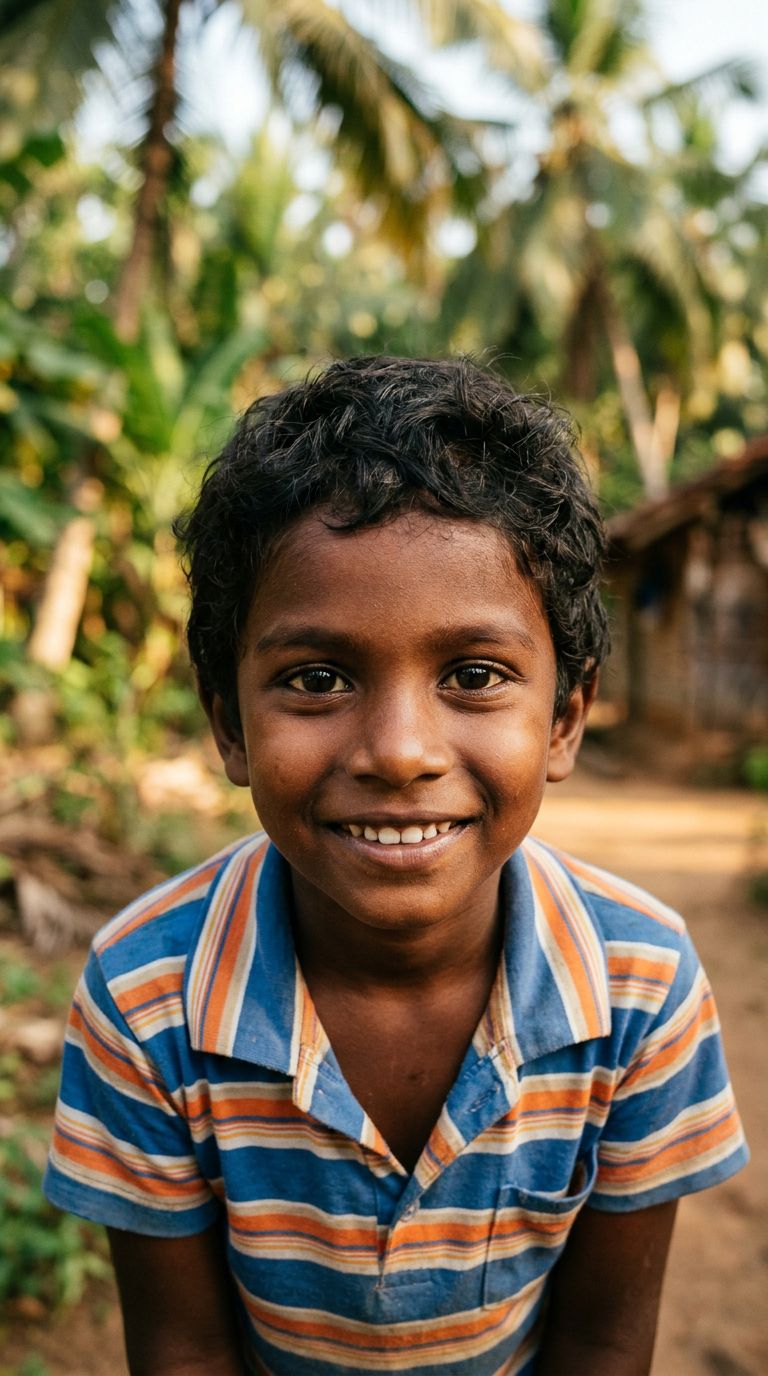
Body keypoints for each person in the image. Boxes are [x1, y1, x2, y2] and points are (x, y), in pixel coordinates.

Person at [44, 356, 748, 1376]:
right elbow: (184, 1350)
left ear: (566, 715)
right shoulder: (147, 996)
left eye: (474, 674)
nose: (400, 749)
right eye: (317, 677)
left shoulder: (641, 987)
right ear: (227, 721)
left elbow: (603, 1340)